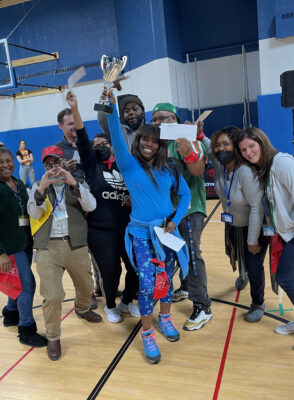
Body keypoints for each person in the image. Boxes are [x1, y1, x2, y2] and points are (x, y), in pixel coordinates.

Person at [107, 90, 191, 364]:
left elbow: (186, 196)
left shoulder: (170, 169)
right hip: (142, 235)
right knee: (146, 284)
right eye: (145, 138)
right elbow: (116, 135)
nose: (149, 144)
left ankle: (165, 318)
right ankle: (146, 333)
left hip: (167, 234)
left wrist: (174, 221)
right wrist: (110, 104)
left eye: (154, 141)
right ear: (139, 141)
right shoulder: (129, 165)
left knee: (166, 278)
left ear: (159, 145)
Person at [236, 127, 294, 352]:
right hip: (289, 232)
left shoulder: (282, 163)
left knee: (285, 277)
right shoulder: (266, 167)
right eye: (244, 149)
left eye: (252, 146)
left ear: (262, 143)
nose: (248, 152)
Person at [66, 91, 139, 324]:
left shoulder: (123, 164)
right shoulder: (91, 165)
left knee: (135, 267)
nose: (100, 147)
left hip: (128, 228)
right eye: (96, 145)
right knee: (111, 271)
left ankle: (127, 301)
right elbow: (81, 135)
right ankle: (110, 305)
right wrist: (76, 110)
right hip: (101, 230)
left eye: (104, 143)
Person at [27, 145, 102, 361]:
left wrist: (73, 183)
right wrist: (41, 189)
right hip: (48, 247)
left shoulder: (76, 183)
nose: (53, 168)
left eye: (56, 163)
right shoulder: (37, 186)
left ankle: (81, 308)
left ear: (63, 163)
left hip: (75, 244)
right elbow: (33, 212)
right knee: (52, 295)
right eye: (48, 164)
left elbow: (92, 205)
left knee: (87, 286)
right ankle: (53, 336)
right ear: (44, 167)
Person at [0, 144, 47, 348]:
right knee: (27, 285)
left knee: (18, 283)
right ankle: (26, 329)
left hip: (23, 243)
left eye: (8, 161)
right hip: (8, 247)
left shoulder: (18, 183)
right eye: (1, 162)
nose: (6, 165)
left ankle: (10, 313)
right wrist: (0, 254)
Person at [151, 103, 212, 331]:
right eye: (155, 119)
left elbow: (197, 171)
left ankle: (203, 306)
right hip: (169, 213)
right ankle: (185, 287)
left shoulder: (188, 140)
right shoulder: (157, 146)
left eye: (163, 118)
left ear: (174, 119)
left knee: (192, 254)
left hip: (190, 209)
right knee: (178, 251)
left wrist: (188, 153)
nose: (158, 122)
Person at [211, 126, 269, 322]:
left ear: (235, 146)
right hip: (233, 224)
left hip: (255, 226)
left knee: (254, 265)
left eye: (226, 144)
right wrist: (200, 135)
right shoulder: (219, 165)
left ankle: (258, 302)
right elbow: (204, 147)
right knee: (238, 256)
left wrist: (253, 240)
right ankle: (242, 274)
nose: (221, 149)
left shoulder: (245, 171)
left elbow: (256, 208)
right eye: (218, 145)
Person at [55, 107, 102, 302]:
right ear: (61, 126)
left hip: (97, 203)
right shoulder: (57, 150)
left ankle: (102, 285)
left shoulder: (90, 144)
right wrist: (64, 169)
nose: (74, 127)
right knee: (81, 255)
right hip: (74, 207)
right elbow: (53, 178)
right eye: (69, 123)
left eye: (76, 122)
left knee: (99, 250)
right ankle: (86, 294)